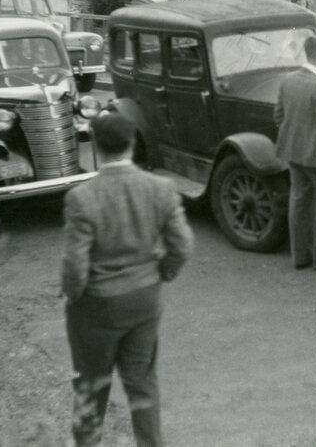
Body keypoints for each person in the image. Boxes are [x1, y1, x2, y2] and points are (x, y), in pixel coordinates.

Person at [61, 112, 193, 447]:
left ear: (96, 146)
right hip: (144, 298)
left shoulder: (81, 197)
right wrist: (161, 273)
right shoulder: (160, 188)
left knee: (90, 386)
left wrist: (73, 295)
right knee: (142, 383)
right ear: (132, 143)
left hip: (96, 305)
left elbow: (75, 264)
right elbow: (182, 245)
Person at [274, 37, 316, 270]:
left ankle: (300, 256)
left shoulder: (288, 79)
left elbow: (278, 115)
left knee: (299, 202)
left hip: (293, 151)